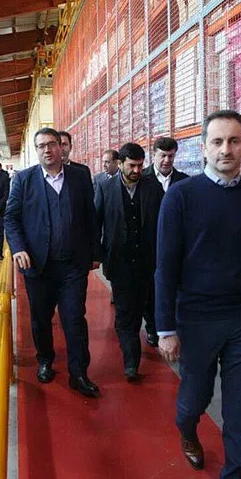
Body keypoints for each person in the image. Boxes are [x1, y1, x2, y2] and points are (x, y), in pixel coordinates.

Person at [156, 110, 241, 475]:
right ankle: (187, 430)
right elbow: (165, 268)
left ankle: (237, 471)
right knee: (194, 399)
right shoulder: (181, 197)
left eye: (233, 141)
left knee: (240, 408)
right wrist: (165, 329)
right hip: (196, 318)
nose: (225, 149)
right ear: (204, 148)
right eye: (217, 141)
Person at [4, 127, 101, 398]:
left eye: (51, 144)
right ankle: (45, 359)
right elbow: (11, 218)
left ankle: (79, 373)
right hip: (38, 266)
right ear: (37, 151)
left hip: (73, 265)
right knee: (41, 318)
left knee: (74, 318)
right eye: (41, 146)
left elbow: (90, 216)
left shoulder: (80, 176)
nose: (47, 150)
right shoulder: (24, 180)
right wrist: (18, 248)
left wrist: (95, 253)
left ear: (61, 147)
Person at [95, 143, 164, 382]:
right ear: (120, 163)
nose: (136, 170)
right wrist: (96, 255)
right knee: (125, 313)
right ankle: (131, 362)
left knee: (142, 307)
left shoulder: (153, 187)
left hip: (147, 262)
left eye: (140, 165)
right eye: (132, 165)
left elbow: (164, 221)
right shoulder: (105, 188)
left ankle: (141, 341)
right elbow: (96, 222)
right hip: (119, 262)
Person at [141, 136, 189, 347]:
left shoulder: (184, 182)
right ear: (154, 155)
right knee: (150, 290)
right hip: (148, 246)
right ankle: (153, 327)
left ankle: (175, 327)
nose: (167, 160)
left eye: (171, 156)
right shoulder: (142, 180)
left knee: (175, 288)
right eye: (163, 155)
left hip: (176, 247)